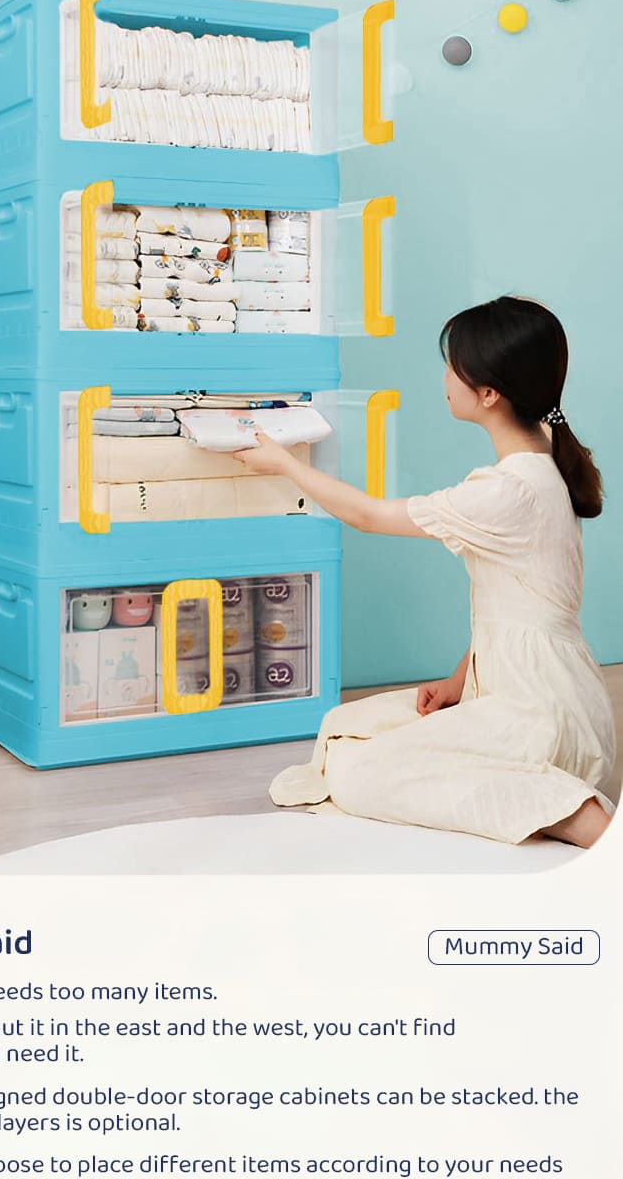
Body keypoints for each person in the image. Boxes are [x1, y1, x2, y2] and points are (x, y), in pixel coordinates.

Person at [238, 297, 615, 848]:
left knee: (358, 774)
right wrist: (458, 682)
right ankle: (543, 792)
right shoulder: (544, 455)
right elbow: (516, 601)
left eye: (452, 365)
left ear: (489, 393)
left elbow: (368, 516)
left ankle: (573, 813)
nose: (443, 376)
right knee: (343, 730)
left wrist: (288, 465)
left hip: (544, 711)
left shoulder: (509, 490)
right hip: (530, 686)